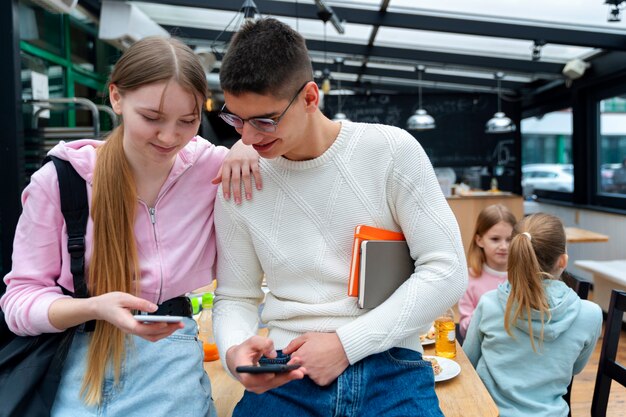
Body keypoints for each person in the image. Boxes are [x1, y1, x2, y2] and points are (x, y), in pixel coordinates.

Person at [212, 18, 467, 417]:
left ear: (310, 97)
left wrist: (346, 345)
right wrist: (234, 351)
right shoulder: (240, 178)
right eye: (236, 119)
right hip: (285, 368)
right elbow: (235, 295)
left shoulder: (390, 151)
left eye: (264, 120)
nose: (246, 138)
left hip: (390, 362)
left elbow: (447, 270)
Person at [0, 36, 262, 416]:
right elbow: (19, 301)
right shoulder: (60, 183)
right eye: (152, 118)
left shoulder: (210, 169)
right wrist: (94, 307)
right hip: (74, 364)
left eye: (187, 121)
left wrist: (247, 145)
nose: (170, 137)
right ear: (116, 98)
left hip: (171, 367)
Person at [463, 213, 602, 417]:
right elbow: (576, 368)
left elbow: (468, 361)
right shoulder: (591, 314)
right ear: (563, 261)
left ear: (516, 254)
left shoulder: (489, 303)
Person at [457, 204, 516, 340]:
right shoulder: (468, 279)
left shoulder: (524, 276)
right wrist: (484, 315)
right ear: (479, 240)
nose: (503, 246)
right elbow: (464, 330)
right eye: (495, 239)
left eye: (509, 239)